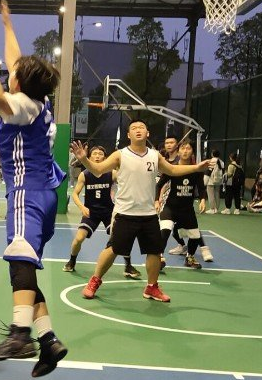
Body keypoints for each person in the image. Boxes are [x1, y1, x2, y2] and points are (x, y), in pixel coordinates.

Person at [0, 5, 68, 377]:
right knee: (25, 268)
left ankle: (20, 334)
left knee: (19, 264)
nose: (9, 72)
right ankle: (49, 340)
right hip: (44, 194)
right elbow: (15, 62)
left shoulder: (22, 105)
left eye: (14, 74)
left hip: (27, 192)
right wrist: (8, 26)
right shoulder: (38, 103)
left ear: (20, 83)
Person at [74, 121, 209, 303]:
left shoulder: (154, 155)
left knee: (155, 251)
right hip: (125, 213)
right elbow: (97, 170)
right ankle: (94, 281)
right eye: (134, 128)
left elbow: (172, 169)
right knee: (113, 249)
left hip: (148, 214)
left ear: (148, 133)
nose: (138, 130)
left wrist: (196, 167)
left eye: (141, 128)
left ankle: (152, 287)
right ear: (128, 135)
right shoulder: (120, 155)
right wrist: (84, 159)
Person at [62, 145, 140, 277]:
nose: (97, 156)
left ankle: (128, 266)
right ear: (89, 156)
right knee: (79, 238)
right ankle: (72, 261)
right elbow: (75, 194)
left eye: (100, 154)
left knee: (120, 238)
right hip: (91, 212)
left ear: (105, 157)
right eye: (95, 154)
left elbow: (126, 183)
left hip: (109, 212)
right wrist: (82, 207)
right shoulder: (84, 174)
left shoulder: (111, 173)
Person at [156, 141, 209, 269]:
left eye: (188, 148)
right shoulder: (172, 168)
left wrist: (202, 200)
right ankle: (159, 257)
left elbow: (201, 187)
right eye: (183, 148)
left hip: (187, 209)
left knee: (195, 236)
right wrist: (156, 200)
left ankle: (189, 258)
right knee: (165, 230)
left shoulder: (197, 170)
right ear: (178, 152)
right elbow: (158, 185)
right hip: (170, 207)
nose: (185, 151)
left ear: (192, 152)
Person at [204, 149, 224, 214]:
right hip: (218, 180)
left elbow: (209, 171)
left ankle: (212, 209)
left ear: (212, 154)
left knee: (211, 195)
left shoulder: (212, 161)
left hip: (211, 180)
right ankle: (216, 208)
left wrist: (205, 181)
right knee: (217, 194)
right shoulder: (221, 162)